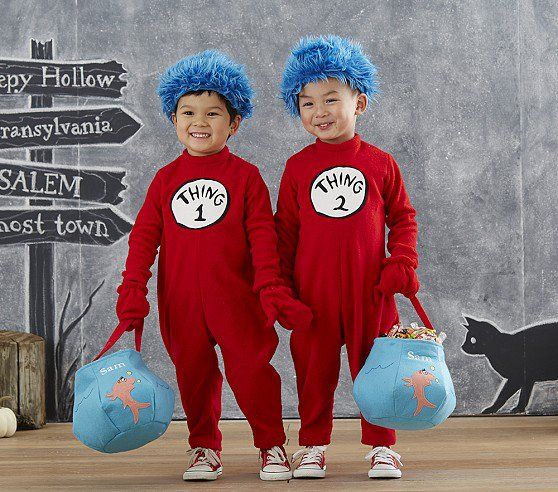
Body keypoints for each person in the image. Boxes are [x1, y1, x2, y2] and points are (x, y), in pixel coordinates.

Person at [115, 50, 312, 482]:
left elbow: (264, 240)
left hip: (238, 301)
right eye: (187, 111)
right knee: (194, 374)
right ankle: (204, 446)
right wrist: (132, 288)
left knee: (251, 371)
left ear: (233, 123)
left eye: (212, 113)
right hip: (181, 302)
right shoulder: (165, 179)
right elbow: (144, 238)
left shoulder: (247, 177)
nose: (198, 122)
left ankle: (272, 445)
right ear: (173, 118)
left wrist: (272, 289)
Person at [276, 35, 420, 479]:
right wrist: (281, 290)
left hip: (371, 292)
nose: (319, 112)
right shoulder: (297, 167)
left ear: (359, 102)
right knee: (313, 374)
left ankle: (383, 446)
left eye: (330, 99)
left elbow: (404, 218)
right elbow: (284, 235)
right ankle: (314, 445)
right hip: (312, 297)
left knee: (376, 373)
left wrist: (402, 261)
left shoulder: (380, 163)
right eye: (306, 103)